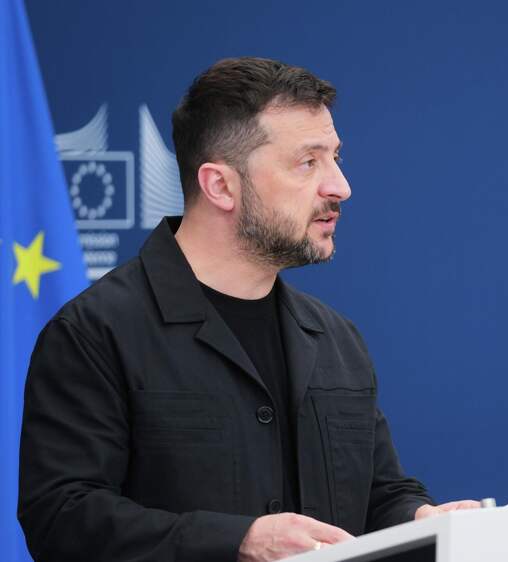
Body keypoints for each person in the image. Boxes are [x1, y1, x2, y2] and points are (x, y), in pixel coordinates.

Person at [18, 57, 477, 562]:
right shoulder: (96, 332)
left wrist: (421, 518)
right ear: (220, 186)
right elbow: (62, 518)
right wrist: (237, 541)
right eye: (308, 162)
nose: (340, 187)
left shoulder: (336, 339)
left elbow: (378, 495)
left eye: (335, 157)